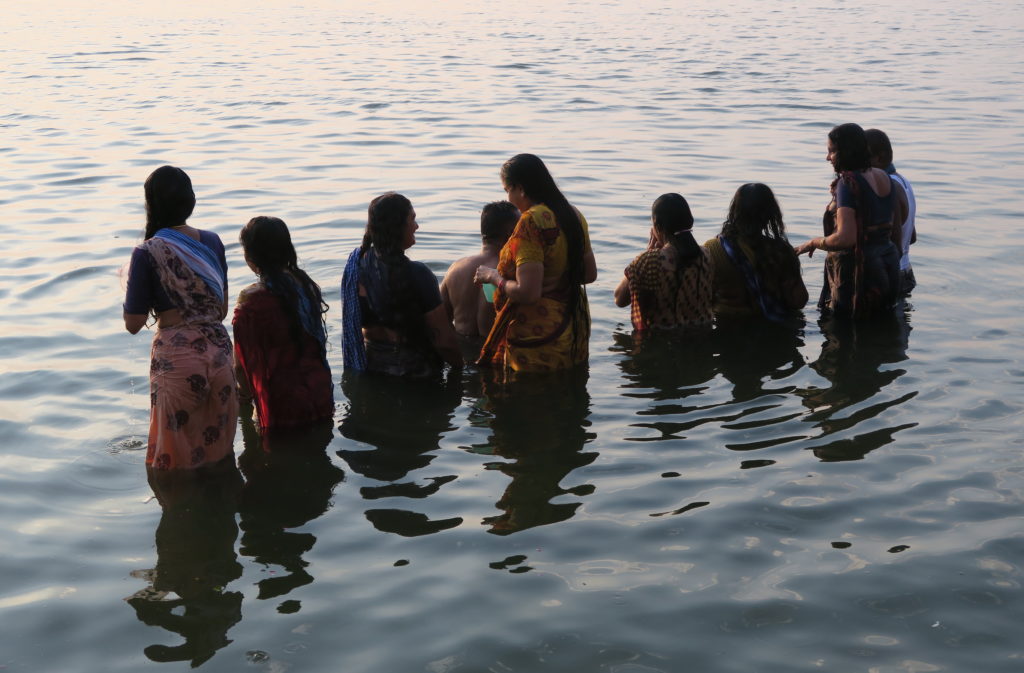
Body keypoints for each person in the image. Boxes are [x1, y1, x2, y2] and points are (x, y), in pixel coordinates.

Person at [122, 165, 238, 470]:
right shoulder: (213, 241)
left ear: (151, 205)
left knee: (174, 462)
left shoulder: (146, 252)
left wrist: (131, 288)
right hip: (220, 355)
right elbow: (221, 311)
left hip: (178, 360)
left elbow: (133, 325)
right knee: (219, 451)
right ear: (191, 201)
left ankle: (178, 513)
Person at [473, 154, 598, 373]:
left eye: (507, 190)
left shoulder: (531, 221)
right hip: (573, 325)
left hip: (537, 336)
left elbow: (528, 293)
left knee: (528, 401)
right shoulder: (574, 214)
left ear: (520, 188)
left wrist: (492, 277)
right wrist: (558, 278)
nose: (508, 198)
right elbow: (589, 275)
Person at [341, 192, 463, 377]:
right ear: (398, 226)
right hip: (418, 376)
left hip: (372, 372)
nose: (417, 226)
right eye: (412, 219)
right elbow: (444, 342)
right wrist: (461, 370)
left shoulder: (356, 268)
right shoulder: (418, 274)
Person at [233, 216, 333, 431]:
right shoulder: (307, 286)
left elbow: (241, 366)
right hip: (320, 393)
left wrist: (244, 398)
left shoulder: (251, 301)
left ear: (251, 256)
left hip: (280, 405)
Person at [794, 123, 902, 317]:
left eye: (832, 151)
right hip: (888, 265)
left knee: (844, 338)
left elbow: (846, 238)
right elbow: (891, 228)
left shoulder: (847, 183)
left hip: (859, 277)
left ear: (846, 151)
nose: (828, 157)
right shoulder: (884, 177)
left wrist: (813, 243)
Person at [703, 183, 808, 321]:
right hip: (774, 325)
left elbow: (703, 298)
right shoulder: (781, 251)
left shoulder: (713, 248)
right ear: (771, 215)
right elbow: (798, 301)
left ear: (735, 211)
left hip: (728, 325)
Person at [614, 193, 714, 331]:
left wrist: (646, 254)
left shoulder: (650, 260)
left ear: (657, 226)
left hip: (660, 338)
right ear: (690, 221)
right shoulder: (707, 255)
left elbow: (619, 299)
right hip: (701, 335)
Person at [440, 200, 519, 338]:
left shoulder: (455, 268)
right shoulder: (511, 271)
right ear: (510, 233)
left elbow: (440, 321)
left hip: (462, 349)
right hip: (496, 352)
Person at [865, 128, 917, 295]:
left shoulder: (888, 187)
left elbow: (895, 243)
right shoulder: (903, 181)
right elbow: (912, 237)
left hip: (893, 275)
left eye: (864, 158)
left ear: (879, 158)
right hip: (906, 270)